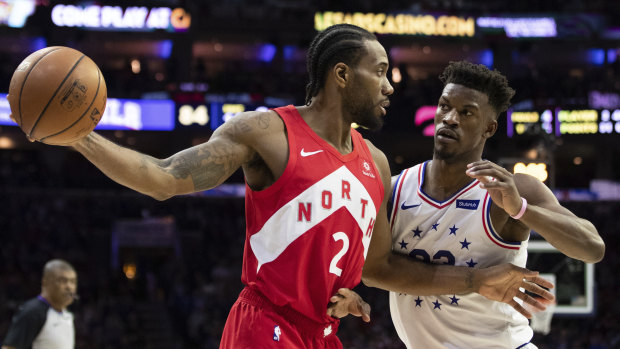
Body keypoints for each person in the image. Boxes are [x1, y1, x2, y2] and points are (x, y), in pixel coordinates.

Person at [11, 25, 553, 348]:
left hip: (321, 331)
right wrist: (83, 138)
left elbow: (380, 267)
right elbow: (164, 179)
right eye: (381, 71)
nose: (393, 84)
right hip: (264, 324)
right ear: (342, 75)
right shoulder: (266, 132)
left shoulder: (378, 163)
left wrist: (477, 279)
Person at [362, 61, 605, 348]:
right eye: (444, 106)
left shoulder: (515, 189)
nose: (450, 118)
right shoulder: (394, 189)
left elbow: (592, 248)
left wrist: (522, 210)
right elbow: (375, 270)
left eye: (466, 112)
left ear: (489, 128)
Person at [2, 259, 77, 349]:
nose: (69, 287)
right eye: (62, 281)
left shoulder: (67, 315)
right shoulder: (33, 312)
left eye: (73, 281)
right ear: (45, 282)